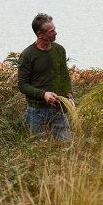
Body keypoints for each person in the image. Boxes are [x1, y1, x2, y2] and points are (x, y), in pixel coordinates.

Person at [16, 12, 72, 141]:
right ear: (40, 34)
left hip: (58, 109)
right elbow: (23, 85)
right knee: (37, 148)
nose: (55, 33)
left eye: (54, 29)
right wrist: (44, 95)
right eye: (51, 31)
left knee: (67, 145)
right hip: (36, 111)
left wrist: (69, 94)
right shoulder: (28, 55)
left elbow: (65, 75)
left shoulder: (59, 50)